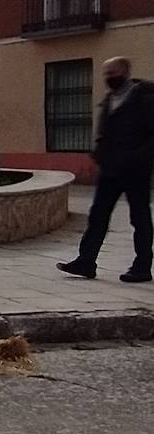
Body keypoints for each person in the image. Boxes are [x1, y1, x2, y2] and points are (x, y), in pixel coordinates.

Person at [58, 57, 154, 283]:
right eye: (106, 74)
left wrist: (138, 158)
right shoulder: (110, 99)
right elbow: (105, 132)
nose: (109, 77)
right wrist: (100, 153)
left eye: (112, 72)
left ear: (125, 71)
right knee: (98, 216)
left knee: (139, 218)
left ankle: (142, 266)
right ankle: (86, 261)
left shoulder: (145, 99)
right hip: (110, 170)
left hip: (135, 171)